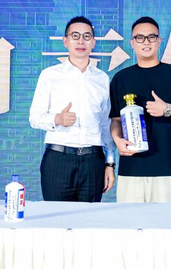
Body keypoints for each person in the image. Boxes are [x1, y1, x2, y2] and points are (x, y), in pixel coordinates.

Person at [109, 16, 171, 203]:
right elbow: (116, 119)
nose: (146, 42)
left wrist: (166, 108)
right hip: (131, 167)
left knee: (166, 221)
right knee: (128, 220)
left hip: (167, 167)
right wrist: (117, 140)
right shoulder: (121, 78)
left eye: (151, 37)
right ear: (132, 43)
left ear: (159, 41)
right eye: (140, 38)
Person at [29, 16, 116, 202]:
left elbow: (105, 125)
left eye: (86, 36)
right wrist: (57, 119)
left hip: (93, 161)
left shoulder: (102, 79)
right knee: (57, 217)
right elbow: (35, 118)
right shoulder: (49, 75)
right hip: (58, 159)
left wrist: (110, 163)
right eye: (75, 36)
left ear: (93, 42)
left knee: (89, 218)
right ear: (65, 41)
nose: (81, 41)